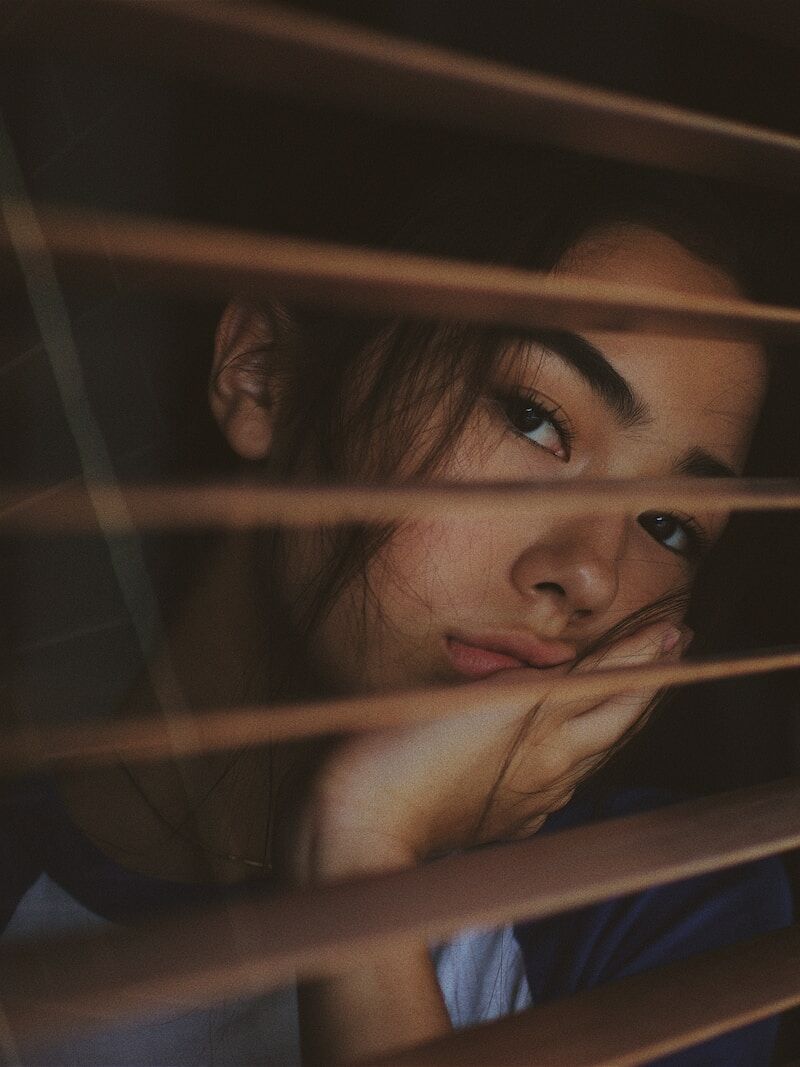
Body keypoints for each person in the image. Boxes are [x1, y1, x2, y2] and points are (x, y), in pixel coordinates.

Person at [2, 164, 794, 1065]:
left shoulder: (659, 912)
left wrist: (361, 852)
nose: (590, 575)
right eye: (534, 418)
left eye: (670, 524)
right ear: (264, 375)